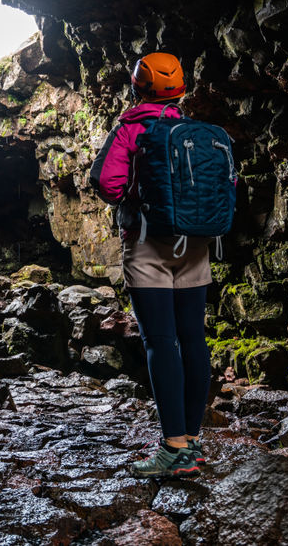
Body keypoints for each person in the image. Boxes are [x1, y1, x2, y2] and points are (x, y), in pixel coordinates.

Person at [90, 52, 212, 478]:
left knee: (161, 341)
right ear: (181, 89)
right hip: (195, 245)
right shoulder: (198, 132)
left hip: (146, 244)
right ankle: (193, 443)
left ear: (135, 86)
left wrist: (134, 193)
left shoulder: (129, 130)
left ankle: (174, 449)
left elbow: (107, 183)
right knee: (193, 339)